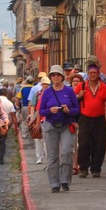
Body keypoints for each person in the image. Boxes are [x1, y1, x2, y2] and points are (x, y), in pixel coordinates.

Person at [39, 65, 79, 193]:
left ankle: (65, 181)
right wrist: (49, 111)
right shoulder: (47, 92)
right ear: (50, 77)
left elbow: (77, 110)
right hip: (51, 126)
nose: (56, 77)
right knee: (52, 156)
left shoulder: (69, 91)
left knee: (66, 152)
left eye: (58, 75)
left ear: (62, 76)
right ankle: (54, 184)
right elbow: (41, 110)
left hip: (66, 125)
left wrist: (68, 110)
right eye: (53, 75)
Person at [74, 63, 106, 178]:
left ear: (98, 74)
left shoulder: (104, 87)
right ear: (88, 74)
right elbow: (72, 100)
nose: (93, 75)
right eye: (91, 73)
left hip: (99, 120)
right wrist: (79, 96)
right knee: (83, 144)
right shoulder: (81, 86)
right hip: (84, 119)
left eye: (95, 73)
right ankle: (83, 168)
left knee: (99, 144)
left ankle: (96, 169)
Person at [0, 88, 16, 165]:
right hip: (4, 125)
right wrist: (16, 127)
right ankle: (0, 159)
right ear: (6, 94)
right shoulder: (9, 103)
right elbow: (13, 117)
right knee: (2, 142)